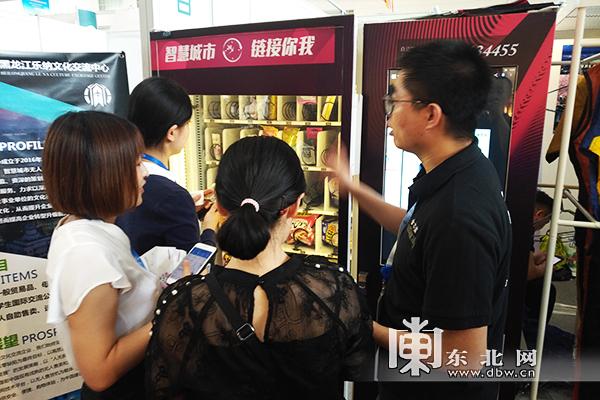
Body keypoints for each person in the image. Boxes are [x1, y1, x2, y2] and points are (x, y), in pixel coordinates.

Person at [330, 41, 512, 399]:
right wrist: (353, 188)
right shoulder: (458, 170)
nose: (388, 116)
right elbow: (416, 229)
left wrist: (361, 325)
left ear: (431, 115)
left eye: (394, 101)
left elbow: (466, 357)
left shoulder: (460, 216)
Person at [146, 136, 374, 400]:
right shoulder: (335, 289)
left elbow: (164, 386)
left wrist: (184, 289)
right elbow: (356, 367)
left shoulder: (184, 302)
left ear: (219, 205)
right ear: (295, 206)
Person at [43, 111, 165, 399]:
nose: (145, 173)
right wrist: (169, 314)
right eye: (136, 164)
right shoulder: (86, 255)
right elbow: (99, 372)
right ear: (104, 174)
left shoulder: (86, 229)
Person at [116, 77, 217, 256]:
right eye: (187, 124)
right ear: (172, 132)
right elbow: (191, 268)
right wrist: (210, 229)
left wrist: (186, 209)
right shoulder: (173, 196)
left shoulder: (116, 175)